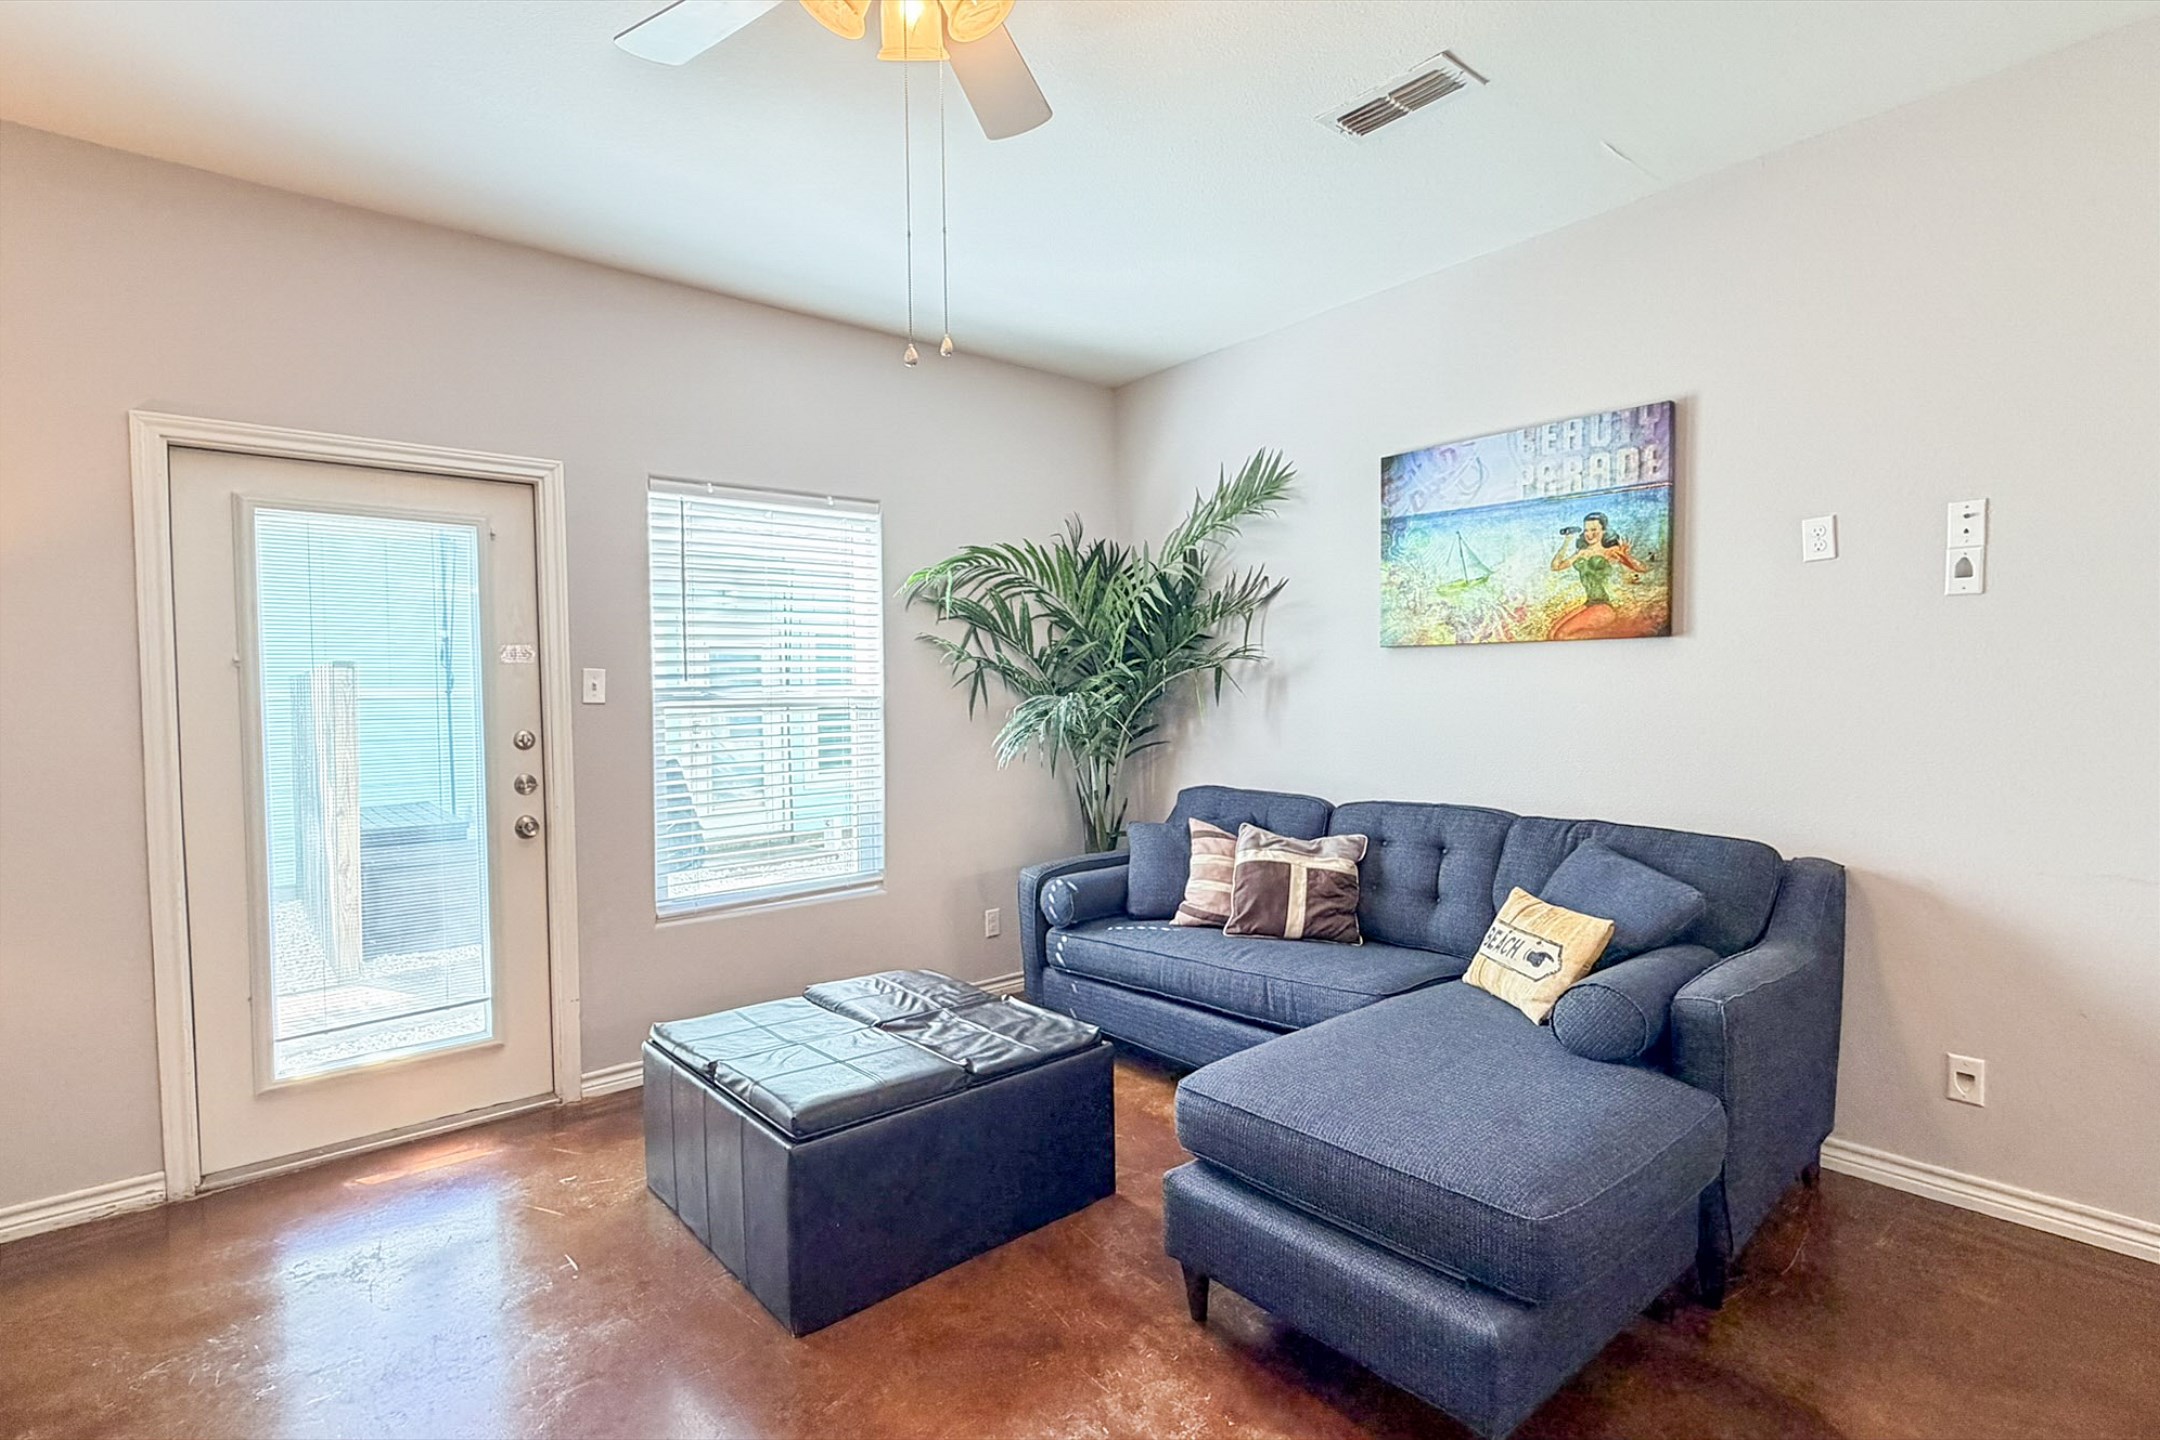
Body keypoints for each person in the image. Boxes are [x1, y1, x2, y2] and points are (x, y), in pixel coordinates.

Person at [1548, 511, 1648, 640]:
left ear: (1604, 530)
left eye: (1594, 530)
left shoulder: (1611, 551)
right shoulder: (1582, 553)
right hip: (1589, 604)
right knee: (1552, 634)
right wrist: (1567, 541)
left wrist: (1626, 555)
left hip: (1603, 607)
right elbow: (1555, 567)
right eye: (1586, 530)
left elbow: (1642, 569)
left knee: (1562, 635)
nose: (1589, 534)